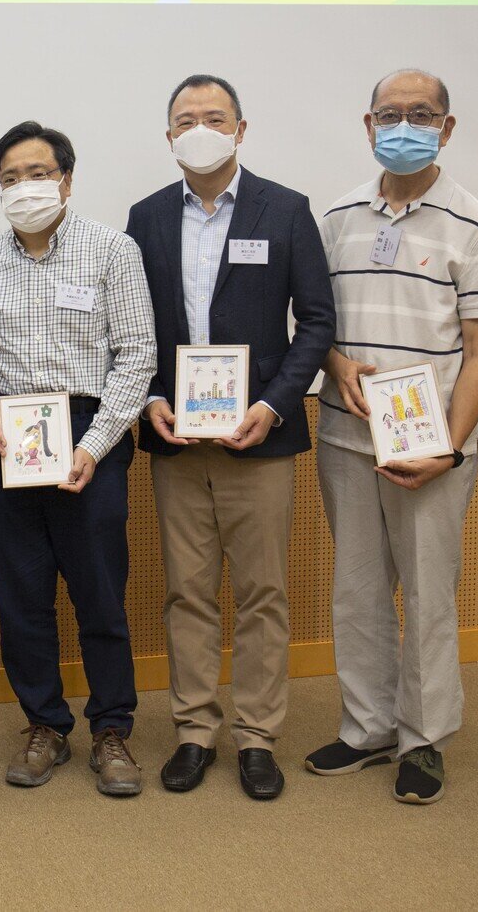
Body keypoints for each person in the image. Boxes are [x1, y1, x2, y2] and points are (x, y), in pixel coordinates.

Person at [125, 75, 335, 799]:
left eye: (214, 117)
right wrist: (149, 396)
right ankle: (193, 729)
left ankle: (256, 735)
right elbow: (135, 328)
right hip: (177, 439)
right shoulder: (146, 217)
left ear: (242, 129)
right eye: (186, 119)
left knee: (262, 592)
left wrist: (274, 406)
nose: (201, 128)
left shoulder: (287, 209)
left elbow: (315, 322)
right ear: (169, 137)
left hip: (258, 437)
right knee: (186, 591)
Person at [306, 69, 478, 805]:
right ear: (367, 124)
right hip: (347, 437)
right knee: (357, 591)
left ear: (447, 128)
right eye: (390, 113)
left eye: (421, 114)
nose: (404, 125)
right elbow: (316, 326)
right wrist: (334, 361)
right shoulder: (335, 217)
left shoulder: (475, 222)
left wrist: (447, 448)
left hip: (435, 445)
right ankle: (367, 726)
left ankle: (424, 739)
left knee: (428, 595)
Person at [0, 121, 156, 797]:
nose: (25, 187)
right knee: (21, 597)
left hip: (87, 435)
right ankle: (44, 721)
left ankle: (111, 728)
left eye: (38, 173)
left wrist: (94, 444)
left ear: (67, 179)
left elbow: (137, 356)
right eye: (10, 177)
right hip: (5, 440)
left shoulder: (112, 249)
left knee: (99, 592)